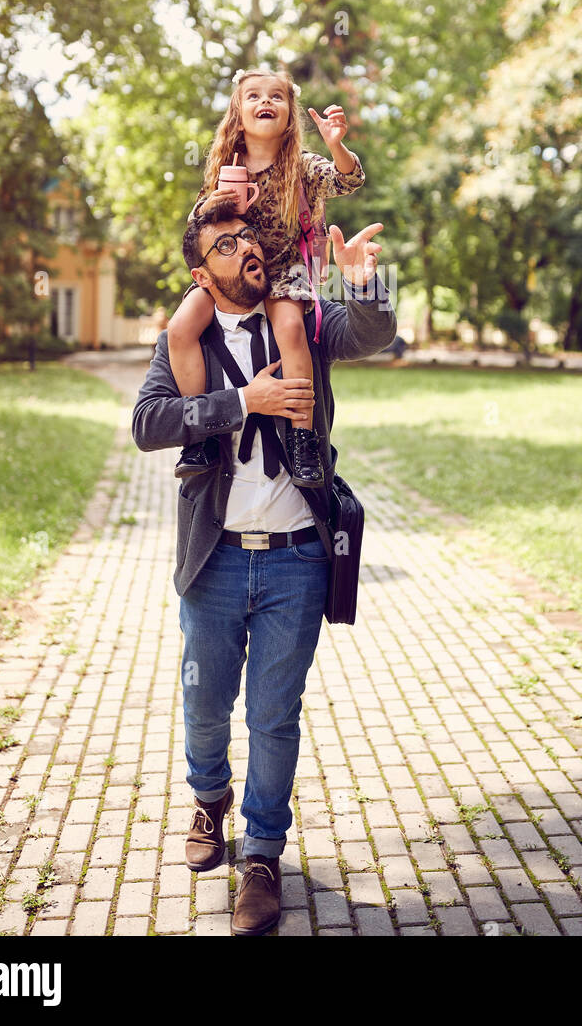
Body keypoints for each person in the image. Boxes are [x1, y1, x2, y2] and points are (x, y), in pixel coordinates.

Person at [131, 195, 396, 936]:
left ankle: (263, 858)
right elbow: (148, 424)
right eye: (225, 244)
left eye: (249, 237)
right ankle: (208, 800)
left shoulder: (302, 318)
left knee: (276, 718)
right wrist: (241, 401)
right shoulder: (182, 340)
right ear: (199, 272)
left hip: (297, 559)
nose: (244, 248)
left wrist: (363, 286)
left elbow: (374, 335)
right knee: (205, 707)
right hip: (213, 560)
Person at [166, 66, 365, 488]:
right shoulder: (225, 164)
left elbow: (348, 179)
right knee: (180, 327)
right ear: (237, 113)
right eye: (254, 96)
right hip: (232, 272)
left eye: (276, 96)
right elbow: (197, 228)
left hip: (285, 269)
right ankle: (197, 437)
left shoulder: (303, 166)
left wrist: (337, 146)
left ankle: (304, 438)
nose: (265, 102)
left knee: (291, 330)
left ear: (290, 115)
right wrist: (208, 208)